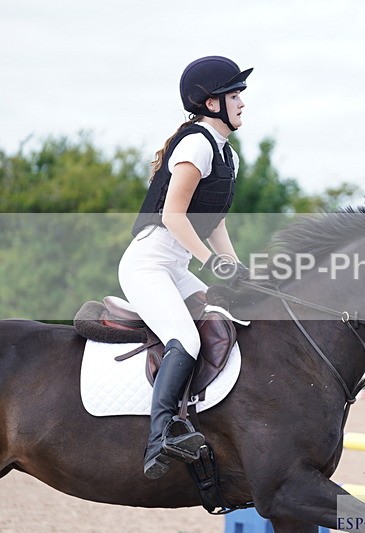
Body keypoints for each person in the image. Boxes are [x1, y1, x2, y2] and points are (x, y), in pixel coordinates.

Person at [119, 55, 252, 479]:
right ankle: (161, 437)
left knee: (229, 315)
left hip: (174, 264)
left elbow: (214, 221)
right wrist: (212, 262)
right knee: (186, 339)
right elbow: (175, 217)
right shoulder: (195, 144)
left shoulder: (224, 153)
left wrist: (234, 265)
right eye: (235, 95)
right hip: (150, 263)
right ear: (212, 103)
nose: (243, 103)